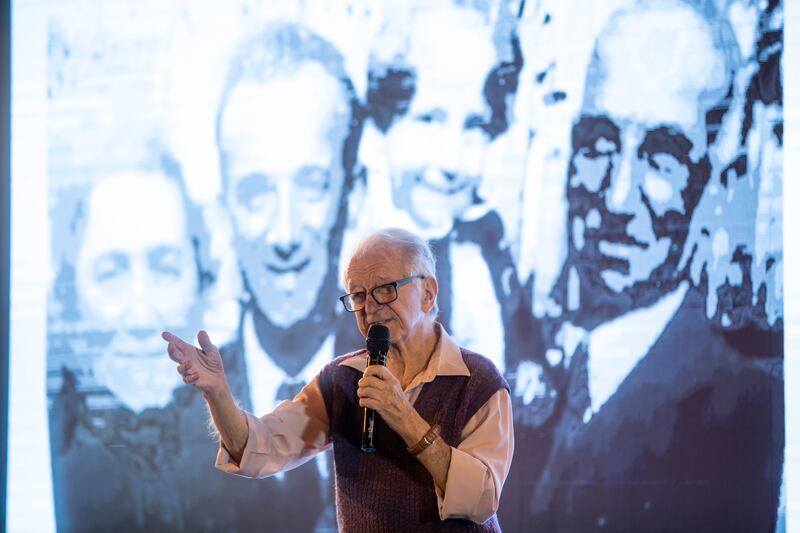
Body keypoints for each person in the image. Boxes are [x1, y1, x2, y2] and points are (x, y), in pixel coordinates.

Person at [503, 2, 784, 531]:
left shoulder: (746, 414)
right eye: (599, 145)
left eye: (662, 157)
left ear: (714, 171)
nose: (617, 196)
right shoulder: (526, 371)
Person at [163, 228, 514, 531]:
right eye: (358, 295)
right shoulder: (343, 378)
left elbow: (481, 500)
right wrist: (218, 393)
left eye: (385, 289)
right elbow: (262, 449)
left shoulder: (478, 381)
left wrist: (405, 419)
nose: (370, 307)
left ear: (428, 293)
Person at [208, 22, 366, 530]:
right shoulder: (179, 420)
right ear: (225, 207)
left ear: (353, 193)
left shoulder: (413, 392)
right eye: (255, 190)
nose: (284, 233)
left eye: (312, 185)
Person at [48, 155, 217, 531]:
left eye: (165, 267)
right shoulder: (45, 438)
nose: (142, 315)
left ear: (200, 276)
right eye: (110, 272)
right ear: (73, 289)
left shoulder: (248, 419)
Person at [364, 0, 531, 374]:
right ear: (383, 120)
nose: (452, 162)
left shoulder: (490, 252)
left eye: (475, 125)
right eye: (429, 119)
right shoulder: (347, 264)